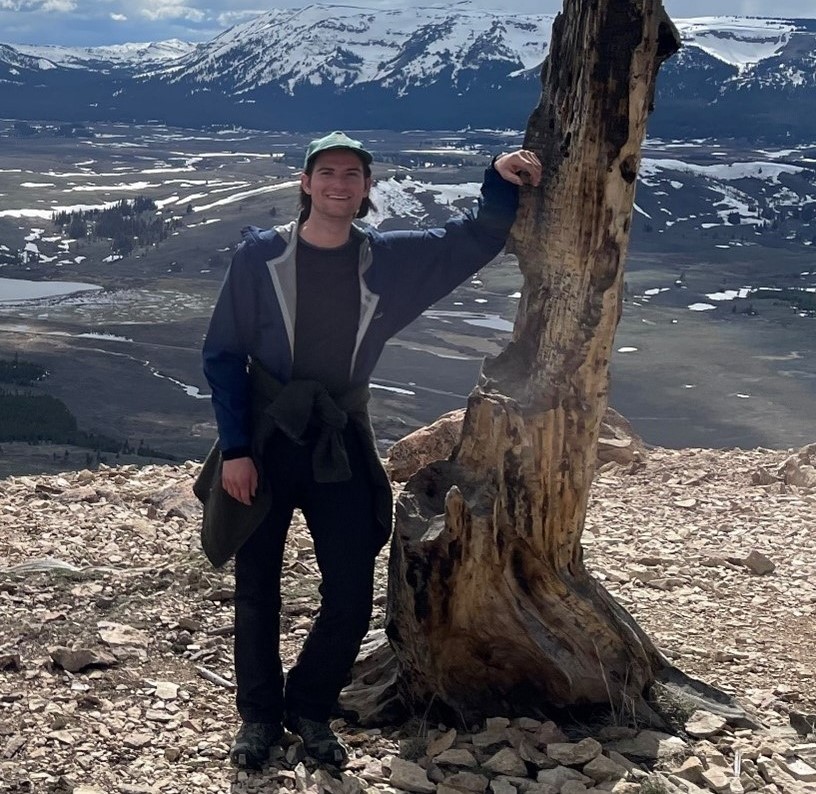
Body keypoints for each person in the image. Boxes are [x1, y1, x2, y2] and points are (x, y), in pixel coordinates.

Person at [199, 131, 541, 770]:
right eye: (325, 172)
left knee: (352, 590)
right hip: (267, 442)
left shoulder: (386, 260)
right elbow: (222, 354)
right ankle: (259, 719)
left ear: (365, 188)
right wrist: (237, 449)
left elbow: (473, 240)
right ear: (306, 184)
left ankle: (310, 705)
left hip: (340, 443)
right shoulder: (259, 259)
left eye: (351, 174)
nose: (338, 184)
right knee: (256, 590)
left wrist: (496, 177)